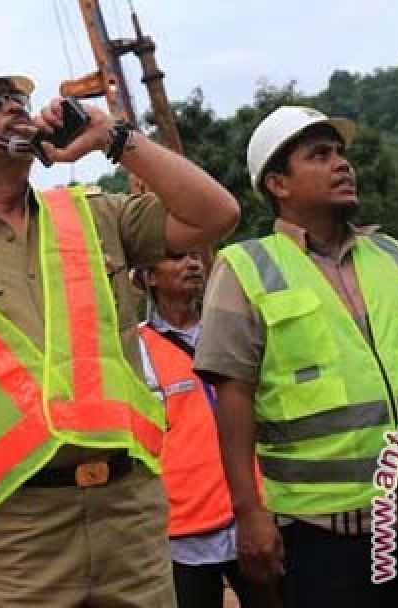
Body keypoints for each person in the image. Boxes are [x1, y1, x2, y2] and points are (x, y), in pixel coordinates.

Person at [0, 64, 240, 608]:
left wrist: (113, 138)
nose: (15, 109)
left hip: (129, 515)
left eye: (15, 99)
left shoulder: (96, 215)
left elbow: (216, 214)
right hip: (12, 537)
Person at [194, 106, 398, 608]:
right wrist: (248, 512)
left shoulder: (396, 256)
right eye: (319, 156)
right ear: (278, 184)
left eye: (341, 153)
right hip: (319, 531)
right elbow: (233, 396)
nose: (342, 164)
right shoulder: (246, 267)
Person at [131, 252, 269, 608]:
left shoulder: (234, 331)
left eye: (195, 257)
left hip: (254, 511)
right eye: (176, 259)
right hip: (181, 526)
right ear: (149, 278)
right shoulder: (136, 348)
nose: (192, 265)